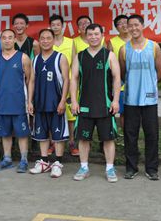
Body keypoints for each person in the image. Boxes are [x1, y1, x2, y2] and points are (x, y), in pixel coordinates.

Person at [70, 24, 121, 182]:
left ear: (102, 35)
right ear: (86, 36)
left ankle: (110, 168)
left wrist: (115, 100)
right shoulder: (80, 56)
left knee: (108, 139)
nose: (93, 37)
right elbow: (74, 79)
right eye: (90, 34)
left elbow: (117, 78)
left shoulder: (109, 55)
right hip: (84, 105)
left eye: (96, 34)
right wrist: (74, 101)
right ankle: (84, 167)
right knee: (83, 139)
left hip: (105, 105)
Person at [119, 14, 161, 180]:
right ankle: (131, 168)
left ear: (142, 26)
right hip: (131, 98)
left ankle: (151, 169)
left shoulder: (154, 46)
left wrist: (149, 85)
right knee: (130, 134)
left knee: (152, 134)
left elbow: (159, 71)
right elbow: (122, 73)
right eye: (130, 25)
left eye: (136, 25)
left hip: (150, 99)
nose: (133, 28)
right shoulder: (124, 49)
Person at [28, 29, 70, 178]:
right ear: (39, 41)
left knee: (58, 135)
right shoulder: (35, 59)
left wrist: (63, 100)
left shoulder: (60, 58)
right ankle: (44, 162)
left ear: (53, 40)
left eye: (48, 38)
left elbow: (66, 80)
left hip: (56, 103)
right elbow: (32, 81)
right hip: (40, 103)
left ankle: (58, 163)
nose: (45, 41)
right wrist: (29, 101)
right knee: (42, 134)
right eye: (42, 38)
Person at [0, 29, 32, 173]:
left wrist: (29, 101)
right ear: (1, 40)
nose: (7, 40)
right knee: (5, 133)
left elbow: (29, 80)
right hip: (3, 102)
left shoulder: (23, 57)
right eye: (4, 38)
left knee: (22, 133)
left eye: (10, 37)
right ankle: (7, 159)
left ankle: (24, 160)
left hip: (19, 102)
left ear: (15, 40)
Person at [49, 14, 78, 156]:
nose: (55, 27)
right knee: (52, 113)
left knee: (71, 116)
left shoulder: (71, 42)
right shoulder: (48, 42)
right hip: (51, 83)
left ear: (62, 26)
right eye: (53, 25)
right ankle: (53, 143)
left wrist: (74, 82)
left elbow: (74, 63)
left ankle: (72, 143)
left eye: (58, 25)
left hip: (69, 82)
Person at [108, 14, 130, 130]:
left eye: (125, 22)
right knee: (124, 112)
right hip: (120, 82)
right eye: (120, 24)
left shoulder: (136, 39)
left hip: (137, 80)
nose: (124, 25)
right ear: (116, 27)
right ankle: (126, 136)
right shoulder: (112, 42)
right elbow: (108, 63)